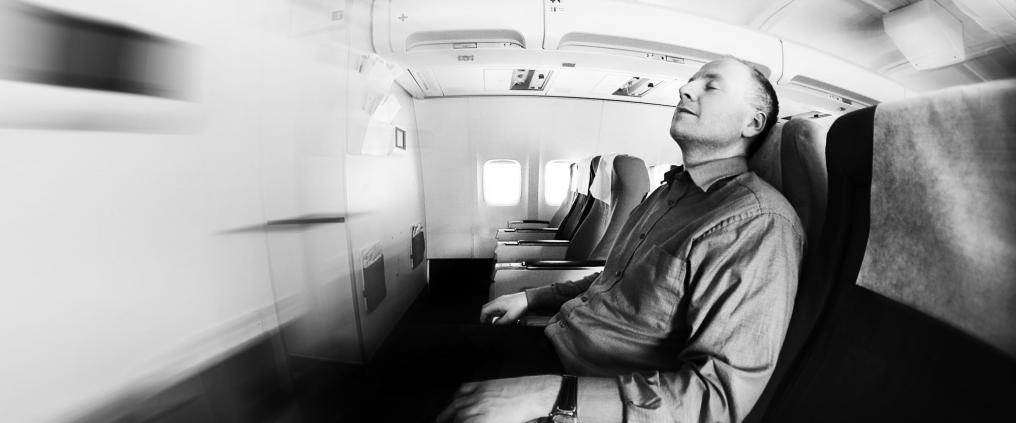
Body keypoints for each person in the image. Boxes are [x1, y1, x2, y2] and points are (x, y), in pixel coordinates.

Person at [438, 57, 804, 423]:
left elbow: (717, 398)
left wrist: (553, 395)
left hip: (592, 387)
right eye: (691, 80)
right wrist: (531, 296)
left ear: (752, 122)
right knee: (404, 359)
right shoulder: (665, 195)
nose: (684, 88)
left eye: (711, 85)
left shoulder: (756, 222)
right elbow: (611, 279)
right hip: (557, 341)